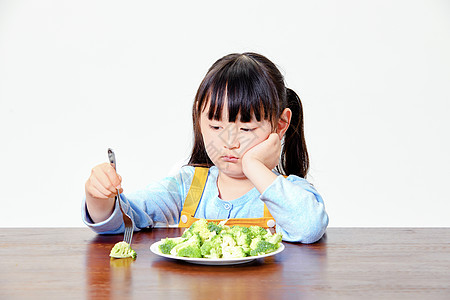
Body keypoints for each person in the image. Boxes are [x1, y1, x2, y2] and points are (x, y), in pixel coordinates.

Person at [82, 52, 328, 243]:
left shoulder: (290, 192)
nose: (228, 142)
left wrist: (254, 165)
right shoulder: (187, 186)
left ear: (281, 123)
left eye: (246, 129)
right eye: (215, 126)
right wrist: (99, 197)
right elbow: (122, 221)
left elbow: (309, 228)